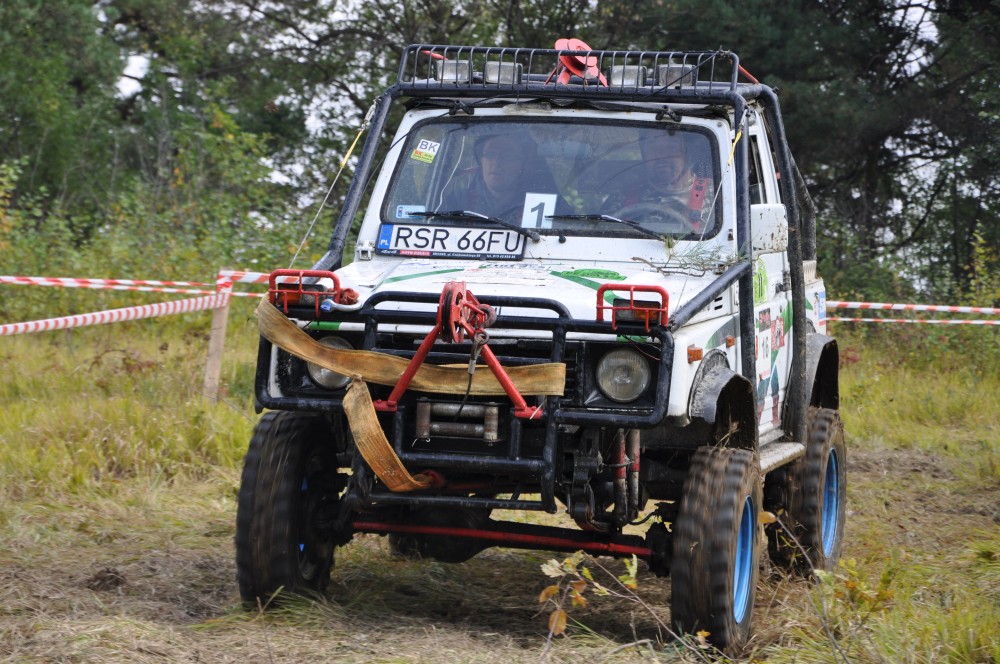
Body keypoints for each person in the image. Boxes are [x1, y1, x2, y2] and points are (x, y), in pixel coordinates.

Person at [601, 133, 714, 232]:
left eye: (671, 147)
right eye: (653, 148)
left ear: (688, 153)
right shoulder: (622, 197)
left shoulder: (715, 193)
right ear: (643, 155)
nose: (661, 155)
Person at [441, 134, 536, 220]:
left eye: (507, 156)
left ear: (524, 167)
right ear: (481, 162)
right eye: (491, 154)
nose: (496, 162)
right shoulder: (458, 201)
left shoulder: (535, 205)